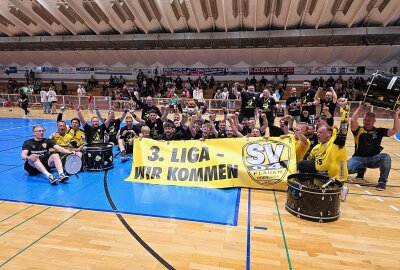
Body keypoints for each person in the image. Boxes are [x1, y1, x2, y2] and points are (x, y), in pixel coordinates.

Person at [298, 98, 350, 199]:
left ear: (329, 134)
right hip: (321, 174)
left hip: (336, 176)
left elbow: (344, 127)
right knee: (302, 164)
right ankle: (308, 185)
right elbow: (307, 161)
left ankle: (341, 188)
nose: (318, 135)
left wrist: (345, 109)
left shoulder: (336, 141)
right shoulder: (317, 147)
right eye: (317, 133)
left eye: (321, 133)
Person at [347, 104, 400, 191]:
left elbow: (395, 130)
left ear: (374, 121)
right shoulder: (358, 130)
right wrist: (360, 107)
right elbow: (353, 120)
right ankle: (361, 170)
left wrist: (395, 115)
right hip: (358, 158)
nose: (366, 122)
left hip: (373, 159)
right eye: (365, 120)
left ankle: (382, 182)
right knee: (346, 169)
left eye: (369, 120)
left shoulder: (379, 131)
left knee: (386, 157)